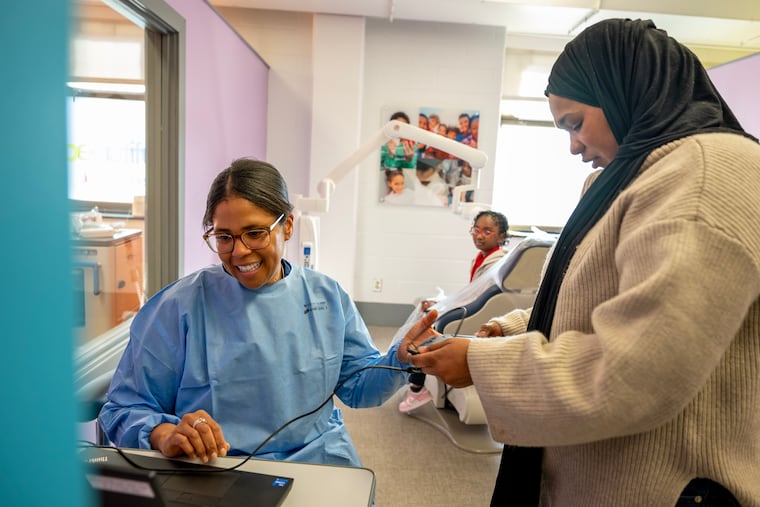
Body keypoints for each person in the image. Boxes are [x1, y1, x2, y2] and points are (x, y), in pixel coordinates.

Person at [401, 18, 760, 505]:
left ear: (623, 90)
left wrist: (482, 366)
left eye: (575, 123)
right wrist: (508, 331)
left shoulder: (704, 173)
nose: (573, 145)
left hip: (667, 484)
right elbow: (595, 298)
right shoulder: (625, 178)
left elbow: (636, 371)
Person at [99, 158, 414, 467]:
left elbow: (361, 389)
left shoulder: (327, 298)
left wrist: (403, 356)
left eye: (254, 233)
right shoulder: (179, 307)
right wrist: (165, 434)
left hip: (317, 460)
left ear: (287, 226)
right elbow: (123, 408)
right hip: (216, 466)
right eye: (224, 237)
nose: (239, 251)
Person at [399, 211, 509, 413]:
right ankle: (415, 378)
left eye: (487, 231)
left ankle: (417, 386)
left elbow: (476, 299)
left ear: (501, 236)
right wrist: (441, 302)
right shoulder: (483, 257)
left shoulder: (497, 262)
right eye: (476, 230)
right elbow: (471, 293)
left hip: (478, 316)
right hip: (476, 308)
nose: (479, 235)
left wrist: (441, 307)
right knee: (426, 309)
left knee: (426, 321)